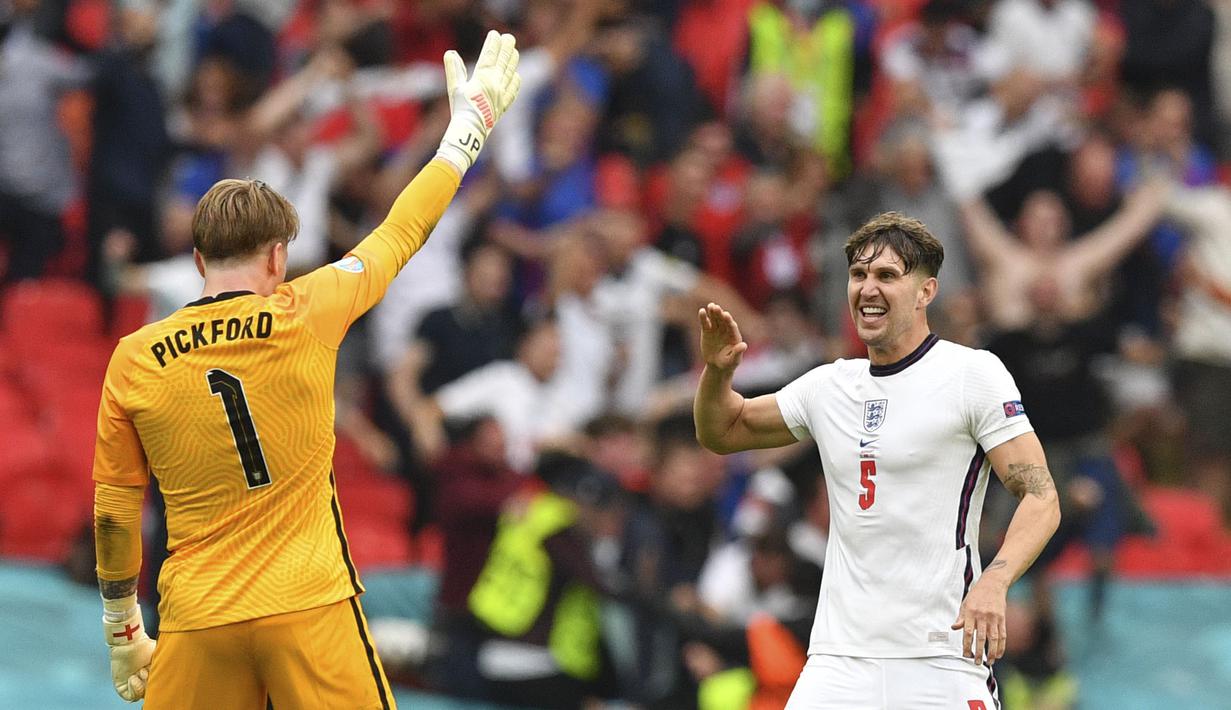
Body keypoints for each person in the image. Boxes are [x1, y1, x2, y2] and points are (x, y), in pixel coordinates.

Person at [90, 30, 521, 708]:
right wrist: (469, 127)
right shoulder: (309, 309)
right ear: (277, 258)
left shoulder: (135, 357)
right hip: (308, 602)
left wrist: (122, 632)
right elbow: (401, 229)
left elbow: (115, 511)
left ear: (199, 262)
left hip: (199, 617)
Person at [693, 213, 1061, 708]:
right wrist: (717, 374)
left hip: (940, 656)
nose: (868, 288)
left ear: (926, 291)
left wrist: (995, 580)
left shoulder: (971, 375)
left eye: (887, 275)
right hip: (839, 661)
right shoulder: (830, 386)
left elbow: (1041, 496)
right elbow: (723, 430)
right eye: (858, 275)